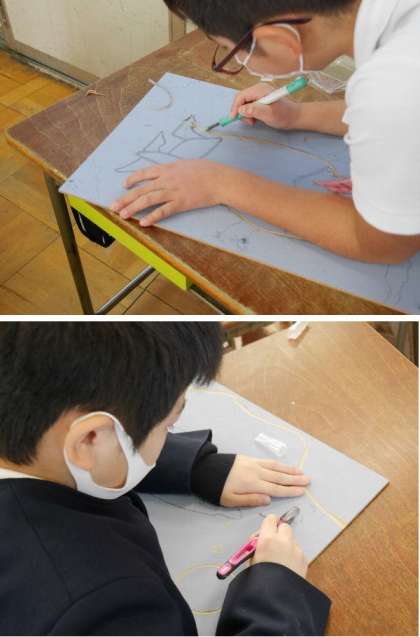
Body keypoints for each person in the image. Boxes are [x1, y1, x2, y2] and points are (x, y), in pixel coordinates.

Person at [0, 322, 330, 636]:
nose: (167, 433)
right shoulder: (105, 609)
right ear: (89, 439)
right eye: (168, 424)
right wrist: (277, 595)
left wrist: (194, 466)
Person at [111, 0, 420, 265]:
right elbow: (390, 119)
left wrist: (220, 183)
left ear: (280, 40)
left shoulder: (394, 85)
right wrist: (298, 115)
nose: (237, 61)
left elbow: (384, 243)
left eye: (229, 51)